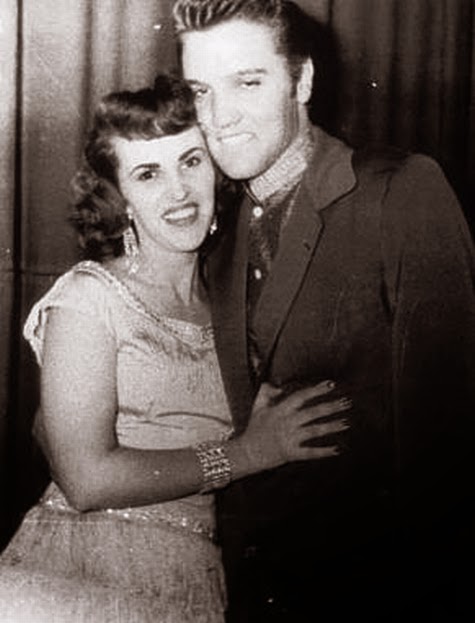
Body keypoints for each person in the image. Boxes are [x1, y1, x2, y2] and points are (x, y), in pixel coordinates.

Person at [0, 74, 351, 623]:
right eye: (148, 173)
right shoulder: (89, 296)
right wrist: (250, 453)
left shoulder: (237, 303)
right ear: (120, 198)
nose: (179, 190)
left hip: (195, 582)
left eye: (191, 161)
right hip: (82, 572)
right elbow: (86, 480)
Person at [172, 1, 475, 621]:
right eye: (201, 91)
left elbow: (448, 452)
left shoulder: (400, 191)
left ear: (302, 81)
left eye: (247, 83)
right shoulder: (214, 230)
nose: (219, 118)